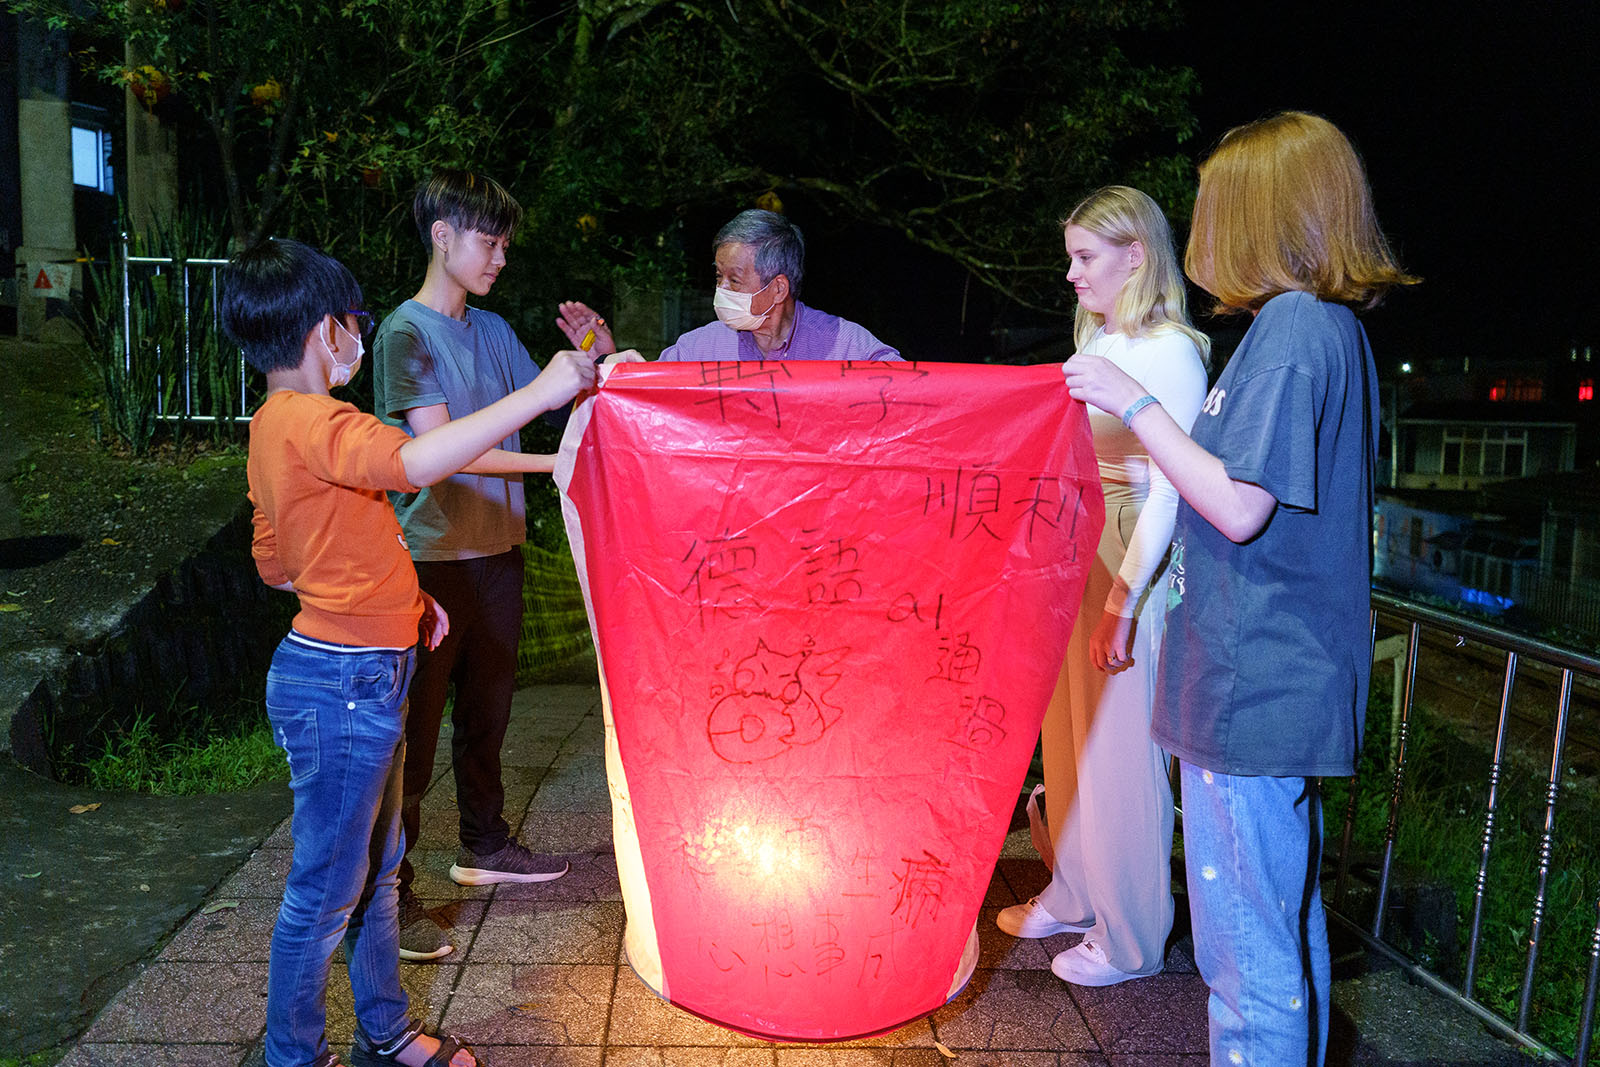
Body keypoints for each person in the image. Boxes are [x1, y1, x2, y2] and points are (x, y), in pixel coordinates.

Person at [1064, 112, 1415, 1065]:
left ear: (1263, 211)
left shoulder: (1297, 330)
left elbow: (1237, 504)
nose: (1203, 225)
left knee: (1247, 958)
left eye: (1216, 202)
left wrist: (1128, 402)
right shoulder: (1308, 329)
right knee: (1277, 929)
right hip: (1259, 678)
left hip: (1254, 682)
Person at [225, 237, 597, 1067]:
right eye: (352, 322)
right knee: (325, 893)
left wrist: (403, 595)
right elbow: (417, 461)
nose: (358, 336)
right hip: (343, 685)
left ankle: (385, 1034)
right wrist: (542, 389)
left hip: (353, 669)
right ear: (326, 331)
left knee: (378, 870)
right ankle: (294, 1056)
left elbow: (277, 558)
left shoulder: (270, 426)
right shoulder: (322, 420)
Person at [375, 170, 641, 961]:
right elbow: (441, 454)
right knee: (415, 736)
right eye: (489, 242)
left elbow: (549, 397)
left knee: (487, 715)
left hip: (498, 551)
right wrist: (553, 463)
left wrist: (594, 346)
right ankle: (391, 892)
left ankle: (483, 844)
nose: (499, 259)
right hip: (431, 560)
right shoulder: (404, 334)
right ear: (443, 234)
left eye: (504, 245)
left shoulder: (490, 330)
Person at [997, 187, 1209, 987]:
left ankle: (1131, 935)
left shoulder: (1172, 351)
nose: (1071, 273)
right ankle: (1078, 888)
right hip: (1078, 550)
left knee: (1121, 751)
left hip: (1132, 561)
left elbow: (1168, 488)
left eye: (1085, 257)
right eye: (1071, 256)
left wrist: (1124, 600)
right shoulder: (1099, 342)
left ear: (1136, 256)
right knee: (1071, 736)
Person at [555, 208, 901, 362]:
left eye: (734, 280)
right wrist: (605, 362)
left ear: (779, 289)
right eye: (718, 277)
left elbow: (916, 399)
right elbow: (647, 404)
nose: (721, 291)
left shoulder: (846, 348)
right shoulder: (697, 351)